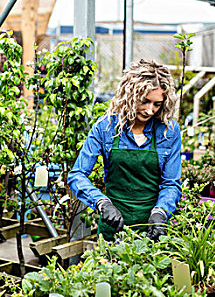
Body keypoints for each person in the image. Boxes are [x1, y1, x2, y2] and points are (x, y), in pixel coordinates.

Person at [68, 59, 182, 241]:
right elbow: (77, 174)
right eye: (144, 101)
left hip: (152, 229)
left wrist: (161, 212)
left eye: (157, 104)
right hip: (113, 226)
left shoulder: (168, 131)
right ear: (130, 95)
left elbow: (171, 182)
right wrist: (102, 203)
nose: (150, 110)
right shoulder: (106, 127)